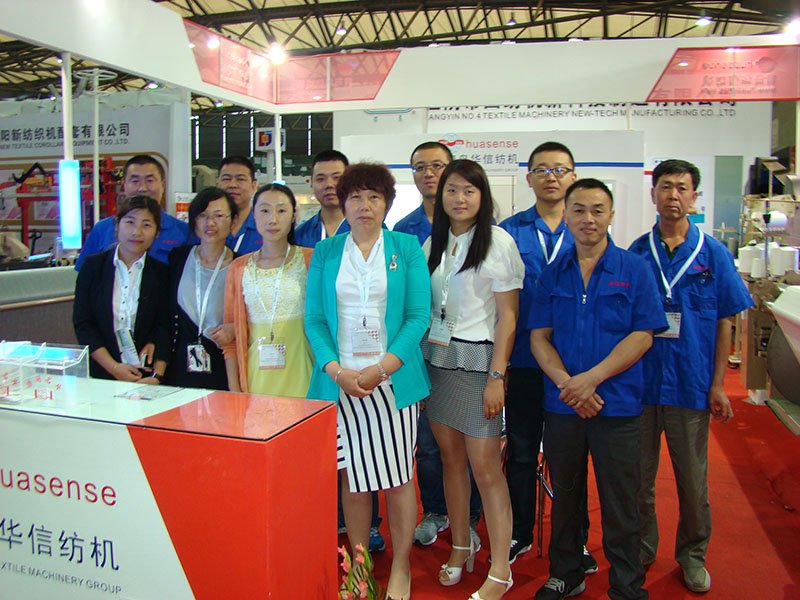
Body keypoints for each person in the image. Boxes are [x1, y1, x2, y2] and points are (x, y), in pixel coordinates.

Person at [530, 179, 666, 600]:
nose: (588, 219)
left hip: (618, 405)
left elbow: (643, 334)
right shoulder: (553, 273)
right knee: (566, 496)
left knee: (621, 501)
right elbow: (539, 337)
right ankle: (566, 572)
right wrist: (568, 384)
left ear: (611, 215)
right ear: (566, 215)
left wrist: (592, 378)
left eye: (597, 210)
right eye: (579, 210)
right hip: (564, 405)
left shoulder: (634, 269)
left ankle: (626, 585)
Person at [305, 163, 430, 600]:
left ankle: (401, 566)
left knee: (398, 477)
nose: (364, 205)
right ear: (343, 203)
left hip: (390, 383)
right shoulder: (325, 252)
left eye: (374, 197)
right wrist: (336, 371)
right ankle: (359, 567)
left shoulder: (406, 247)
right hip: (341, 385)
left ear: (387, 204)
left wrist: (382, 369)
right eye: (355, 196)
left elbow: (417, 317)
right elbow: (314, 320)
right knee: (352, 480)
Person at [629, 160, 754, 593]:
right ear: (653, 194)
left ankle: (693, 555)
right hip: (642, 385)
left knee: (692, 480)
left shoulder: (713, 254)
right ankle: (642, 548)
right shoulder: (636, 253)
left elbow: (725, 321)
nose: (674, 195)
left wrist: (718, 385)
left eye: (682, 188)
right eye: (666, 187)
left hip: (690, 383)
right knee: (639, 478)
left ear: (695, 196)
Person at [422, 159, 523, 600]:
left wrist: (496, 375)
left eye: (469, 190)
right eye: (452, 190)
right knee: (451, 462)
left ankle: (500, 569)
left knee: (486, 468)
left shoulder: (498, 242)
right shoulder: (434, 241)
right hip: (438, 361)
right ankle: (460, 546)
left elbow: (508, 317)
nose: (459, 199)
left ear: (483, 196)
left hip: (480, 363)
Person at [499, 141, 597, 570]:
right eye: (542, 169)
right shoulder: (508, 231)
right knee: (521, 452)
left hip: (572, 366)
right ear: (529, 178)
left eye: (560, 169)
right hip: (522, 361)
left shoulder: (588, 230)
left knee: (569, 459)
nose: (551, 176)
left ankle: (575, 540)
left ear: (573, 176)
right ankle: (519, 532)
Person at [394, 141, 483, 548]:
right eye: (420, 167)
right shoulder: (404, 231)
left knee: (473, 443)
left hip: (472, 353)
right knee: (429, 444)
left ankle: (471, 518)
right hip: (423, 351)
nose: (428, 173)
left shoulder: (484, 232)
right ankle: (435, 509)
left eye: (437, 166)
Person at [222, 184, 313, 397]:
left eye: (281, 210)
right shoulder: (239, 268)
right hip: (256, 380)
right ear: (253, 215)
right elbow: (231, 338)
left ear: (294, 215)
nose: (272, 219)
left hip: (305, 376)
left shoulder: (311, 259)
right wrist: (235, 390)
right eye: (264, 210)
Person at [73, 195, 170, 383]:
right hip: (101, 375)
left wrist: (157, 375)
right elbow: (83, 324)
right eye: (130, 222)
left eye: (146, 225)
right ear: (117, 225)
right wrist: (114, 368)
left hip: (145, 376)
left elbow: (164, 326)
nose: (136, 232)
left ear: (157, 232)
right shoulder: (93, 267)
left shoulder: (162, 273)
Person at [165, 187, 238, 389]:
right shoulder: (178, 258)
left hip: (223, 363)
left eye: (218, 216)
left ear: (233, 222)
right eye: (203, 216)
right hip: (179, 365)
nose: (210, 223)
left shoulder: (241, 266)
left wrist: (235, 328)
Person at [75, 155, 189, 269]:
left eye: (149, 180)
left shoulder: (184, 232)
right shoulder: (102, 229)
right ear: (124, 185)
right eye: (135, 181)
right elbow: (84, 272)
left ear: (163, 185)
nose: (142, 188)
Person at [295, 150, 351, 247]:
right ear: (312, 184)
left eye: (337, 178)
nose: (329, 184)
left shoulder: (366, 230)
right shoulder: (300, 235)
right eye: (320, 179)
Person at [216, 155, 263, 254]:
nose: (233, 185)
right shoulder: (206, 227)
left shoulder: (265, 227)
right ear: (217, 185)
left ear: (253, 186)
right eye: (226, 179)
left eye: (240, 179)